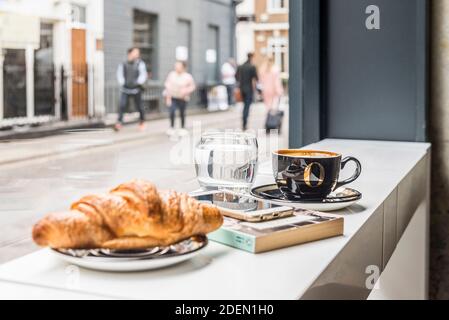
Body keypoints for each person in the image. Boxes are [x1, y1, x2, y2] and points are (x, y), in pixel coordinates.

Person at [115, 47, 148, 132]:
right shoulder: (123, 63)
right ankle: (119, 122)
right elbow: (120, 74)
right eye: (135, 52)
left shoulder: (140, 63)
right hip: (125, 89)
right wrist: (122, 82)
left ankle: (142, 122)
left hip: (136, 89)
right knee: (122, 105)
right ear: (130, 53)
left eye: (138, 52)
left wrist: (139, 82)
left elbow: (143, 74)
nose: (137, 54)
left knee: (140, 106)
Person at [164, 61, 196, 136]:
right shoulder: (172, 74)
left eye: (178, 66)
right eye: (176, 66)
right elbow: (167, 85)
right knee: (172, 111)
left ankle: (182, 127)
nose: (177, 67)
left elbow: (192, 86)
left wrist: (186, 91)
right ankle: (171, 127)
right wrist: (168, 97)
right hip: (173, 96)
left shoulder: (187, 76)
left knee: (182, 112)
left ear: (183, 67)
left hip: (182, 98)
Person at [236, 53, 258, 131]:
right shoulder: (252, 67)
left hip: (242, 89)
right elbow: (256, 78)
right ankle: (244, 124)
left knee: (244, 106)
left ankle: (244, 122)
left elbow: (236, 77)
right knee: (247, 107)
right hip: (249, 89)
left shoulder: (241, 66)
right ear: (251, 57)